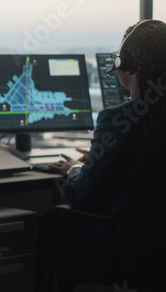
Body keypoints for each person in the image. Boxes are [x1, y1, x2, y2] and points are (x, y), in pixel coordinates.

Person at [46, 19, 166, 215]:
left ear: (125, 63)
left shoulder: (116, 119)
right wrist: (98, 159)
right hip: (157, 239)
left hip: (122, 239)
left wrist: (73, 168)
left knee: (52, 216)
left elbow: (81, 196)